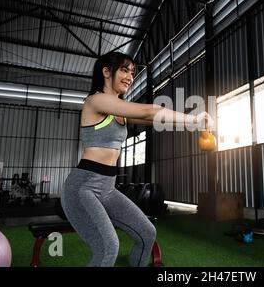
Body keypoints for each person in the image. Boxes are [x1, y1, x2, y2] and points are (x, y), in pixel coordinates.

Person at [61, 52, 210, 267]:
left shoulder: (118, 110)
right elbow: (150, 111)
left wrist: (193, 124)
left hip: (107, 188)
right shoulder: (96, 100)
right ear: (106, 72)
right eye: (124, 70)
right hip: (82, 188)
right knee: (107, 248)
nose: (130, 77)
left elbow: (156, 120)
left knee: (147, 233)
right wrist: (194, 117)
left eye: (132, 72)